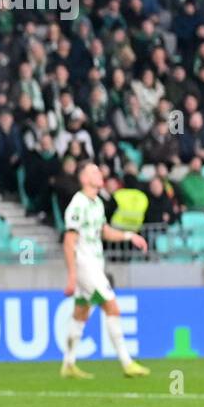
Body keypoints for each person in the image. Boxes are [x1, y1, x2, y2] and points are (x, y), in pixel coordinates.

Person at [60, 162, 150, 379]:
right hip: (85, 265)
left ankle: (68, 364)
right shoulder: (78, 204)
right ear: (83, 179)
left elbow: (104, 231)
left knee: (81, 312)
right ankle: (127, 362)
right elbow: (69, 240)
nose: (99, 174)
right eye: (93, 172)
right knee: (112, 306)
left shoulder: (97, 203)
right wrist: (72, 275)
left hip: (94, 263)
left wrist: (130, 236)